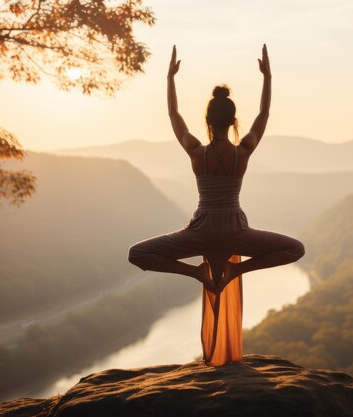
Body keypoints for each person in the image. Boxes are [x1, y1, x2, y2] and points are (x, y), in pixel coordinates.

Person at [127, 44, 305, 365]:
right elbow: (264, 116)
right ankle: (239, 269)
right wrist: (268, 77)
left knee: (136, 253)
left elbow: (173, 115)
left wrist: (170, 78)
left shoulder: (197, 152)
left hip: (201, 231)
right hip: (236, 231)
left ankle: (195, 273)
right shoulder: (243, 151)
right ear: (234, 119)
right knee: (295, 248)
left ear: (207, 119)